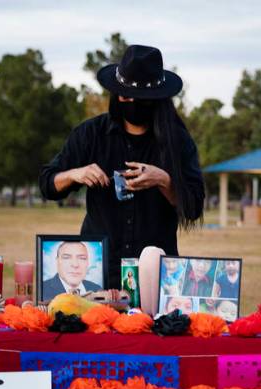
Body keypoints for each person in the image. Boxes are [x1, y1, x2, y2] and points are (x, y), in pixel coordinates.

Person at [39, 45, 204, 286]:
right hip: (97, 272)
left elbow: (193, 207)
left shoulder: (178, 142)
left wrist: (164, 180)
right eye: (126, 96)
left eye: (142, 99)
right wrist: (75, 174)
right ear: (116, 94)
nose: (133, 103)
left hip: (157, 275)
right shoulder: (90, 133)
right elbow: (47, 184)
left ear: (157, 100)